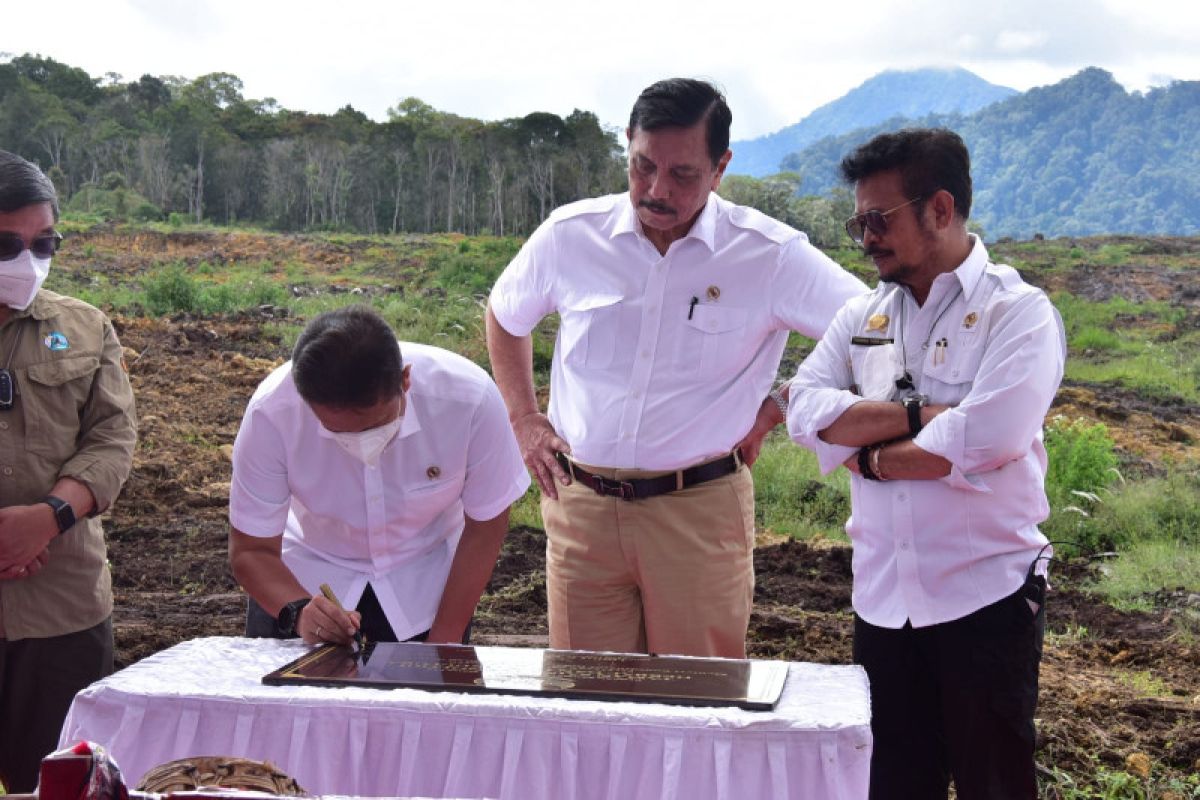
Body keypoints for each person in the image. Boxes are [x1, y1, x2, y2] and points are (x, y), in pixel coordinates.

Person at [486, 78, 866, 659]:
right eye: (642, 167)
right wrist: (523, 418)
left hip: (698, 513)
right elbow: (505, 314)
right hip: (581, 507)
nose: (657, 190)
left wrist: (781, 406)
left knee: (699, 706)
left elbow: (871, 330)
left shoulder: (768, 254)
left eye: (683, 174)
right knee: (586, 702)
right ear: (628, 148)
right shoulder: (570, 237)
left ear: (720, 168)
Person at [785, 128, 1065, 799]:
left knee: (993, 783)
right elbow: (802, 409)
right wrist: (922, 418)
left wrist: (868, 458)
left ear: (940, 209)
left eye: (879, 220)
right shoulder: (861, 315)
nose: (866, 238)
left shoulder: (1017, 314)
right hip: (882, 603)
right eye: (859, 222)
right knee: (890, 785)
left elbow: (989, 436)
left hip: (986, 599)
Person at [229, 305, 529, 648]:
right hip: (305, 582)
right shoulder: (272, 413)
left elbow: (486, 524)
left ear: (405, 380)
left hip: (426, 592)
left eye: (375, 426)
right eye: (337, 431)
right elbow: (251, 549)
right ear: (307, 401)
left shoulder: (468, 401)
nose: (360, 444)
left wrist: (444, 641)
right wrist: (298, 612)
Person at [0, 151, 138, 793]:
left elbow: (111, 438)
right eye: (7, 244)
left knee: (59, 783)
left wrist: (47, 519)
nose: (27, 259)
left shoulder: (85, 328)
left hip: (63, 610)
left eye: (43, 242)